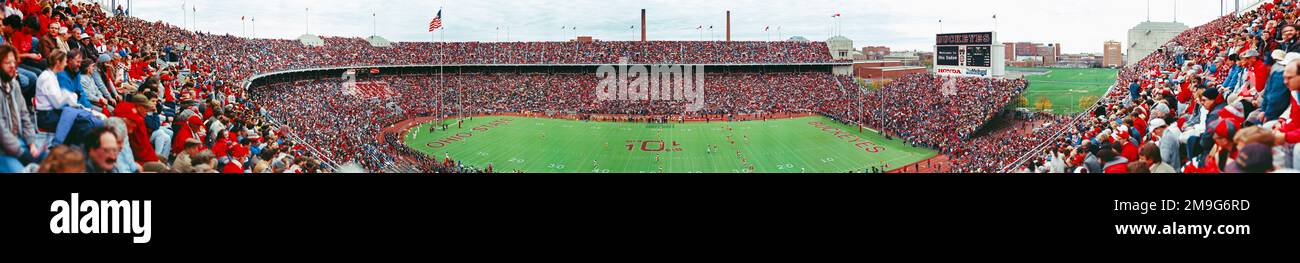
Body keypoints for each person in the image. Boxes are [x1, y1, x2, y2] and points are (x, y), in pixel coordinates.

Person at [34, 50, 102, 147]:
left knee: (85, 120)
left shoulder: (51, 76)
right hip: (47, 116)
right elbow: (57, 103)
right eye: (64, 62)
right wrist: (71, 96)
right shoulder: (47, 77)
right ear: (58, 62)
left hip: (52, 112)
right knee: (83, 124)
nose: (66, 64)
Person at [0, 44, 39, 172]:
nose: (12, 65)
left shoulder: (14, 84)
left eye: (13, 61)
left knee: (49, 159)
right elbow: (1, 131)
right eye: (7, 62)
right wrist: (22, 153)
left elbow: (24, 115)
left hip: (19, 139)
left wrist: (31, 143)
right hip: (3, 149)